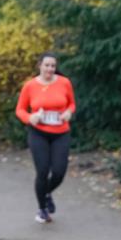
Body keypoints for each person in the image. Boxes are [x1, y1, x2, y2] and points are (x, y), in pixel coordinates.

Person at [15, 52, 76, 223]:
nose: (50, 69)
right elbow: (20, 109)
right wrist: (30, 118)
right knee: (42, 171)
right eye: (47, 65)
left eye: (53, 66)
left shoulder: (64, 83)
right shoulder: (30, 86)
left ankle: (47, 191)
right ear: (40, 66)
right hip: (38, 133)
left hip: (61, 132)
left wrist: (68, 112)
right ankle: (42, 209)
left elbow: (71, 103)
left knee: (59, 171)